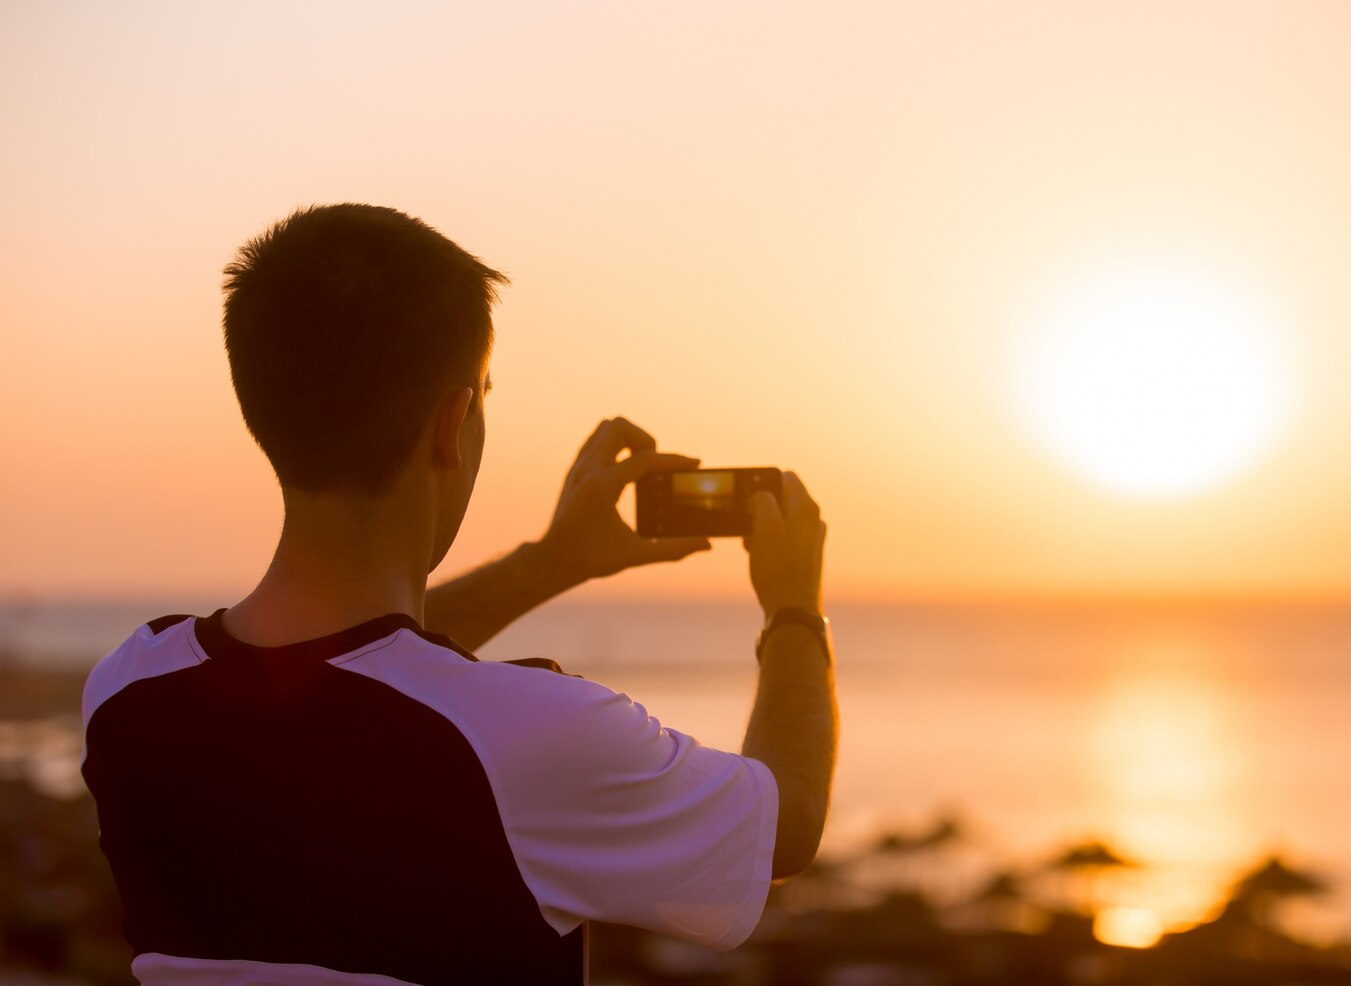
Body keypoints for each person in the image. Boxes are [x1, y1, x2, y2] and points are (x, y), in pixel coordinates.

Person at [80, 203, 837, 986]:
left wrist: (549, 563)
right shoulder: (531, 738)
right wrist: (793, 607)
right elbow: (785, 827)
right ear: (456, 422)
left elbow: (346, 674)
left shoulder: (127, 693)